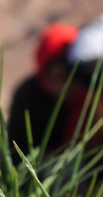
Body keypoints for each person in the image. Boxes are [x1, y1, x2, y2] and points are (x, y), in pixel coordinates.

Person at [7, 22, 79, 156]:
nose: (67, 86)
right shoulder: (27, 98)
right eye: (58, 78)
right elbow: (17, 154)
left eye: (73, 77)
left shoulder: (90, 96)